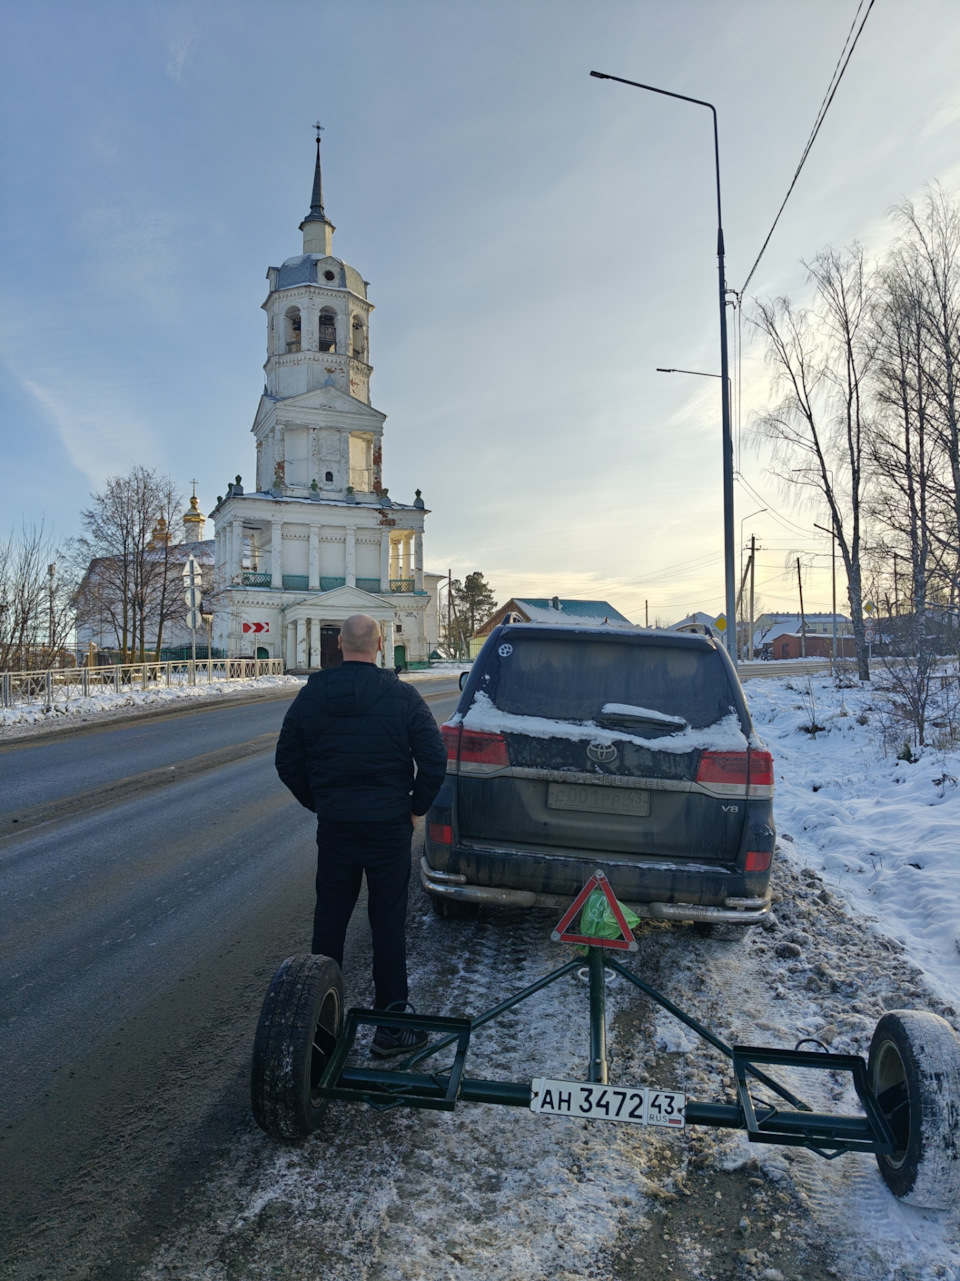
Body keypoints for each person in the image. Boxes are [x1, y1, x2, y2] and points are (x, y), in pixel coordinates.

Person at [275, 613, 447, 1056]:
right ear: (379, 644)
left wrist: (322, 802)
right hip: (388, 827)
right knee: (387, 922)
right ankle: (391, 1025)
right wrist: (414, 808)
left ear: (339, 646)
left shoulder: (312, 695)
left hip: (337, 828)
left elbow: (287, 760)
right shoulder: (403, 696)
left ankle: (318, 1026)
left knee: (329, 921)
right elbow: (434, 760)